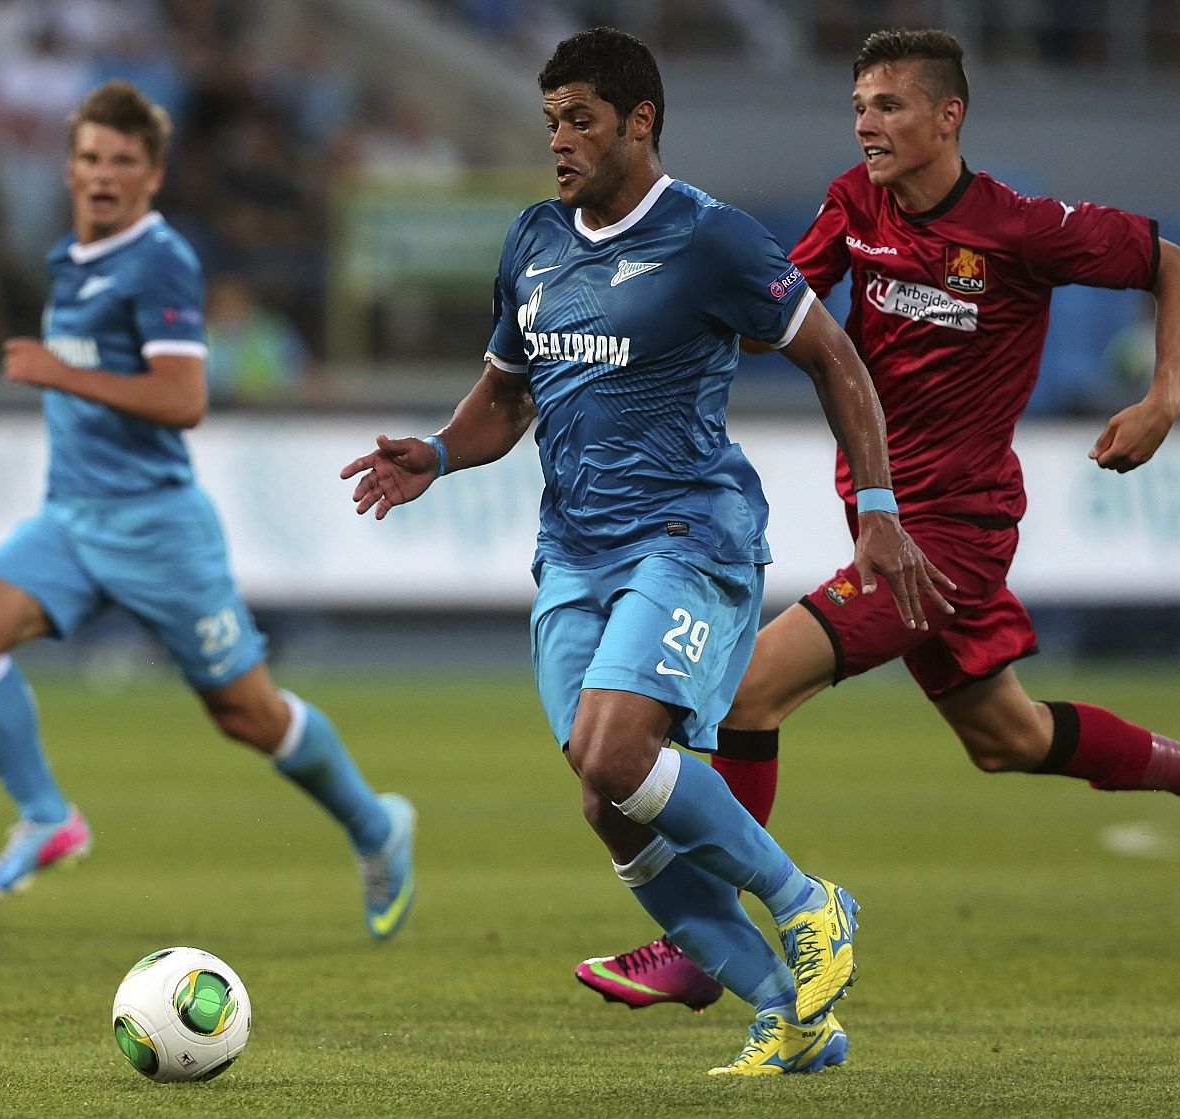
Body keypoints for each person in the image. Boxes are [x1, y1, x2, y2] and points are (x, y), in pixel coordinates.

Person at [576, 27, 1180, 1017]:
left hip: (947, 539)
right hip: (889, 524)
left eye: (888, 106)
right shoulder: (853, 203)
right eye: (859, 105)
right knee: (1007, 735)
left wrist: (1162, 398)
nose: (865, 122)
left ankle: (712, 942)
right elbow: (772, 311)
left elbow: (1179, 267)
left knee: (744, 696)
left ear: (946, 117)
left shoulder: (1020, 228)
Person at [341, 27, 950, 1076]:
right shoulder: (533, 240)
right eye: (551, 123)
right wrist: (438, 452)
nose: (561, 141)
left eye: (580, 119)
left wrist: (881, 505)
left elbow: (835, 358)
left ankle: (811, 909)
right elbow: (504, 398)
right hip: (572, 556)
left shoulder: (710, 237)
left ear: (640, 121)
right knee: (604, 794)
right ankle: (790, 1020)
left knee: (622, 754)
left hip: (689, 535)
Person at [0, 80, 416, 942]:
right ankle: (47, 817)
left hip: (158, 526)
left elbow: (185, 397)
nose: (103, 175)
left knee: (247, 714)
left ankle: (378, 827)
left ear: (152, 176)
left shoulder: (162, 261)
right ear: (71, 168)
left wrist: (60, 372)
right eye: (89, 158)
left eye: (123, 161)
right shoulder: (64, 259)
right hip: (73, 518)